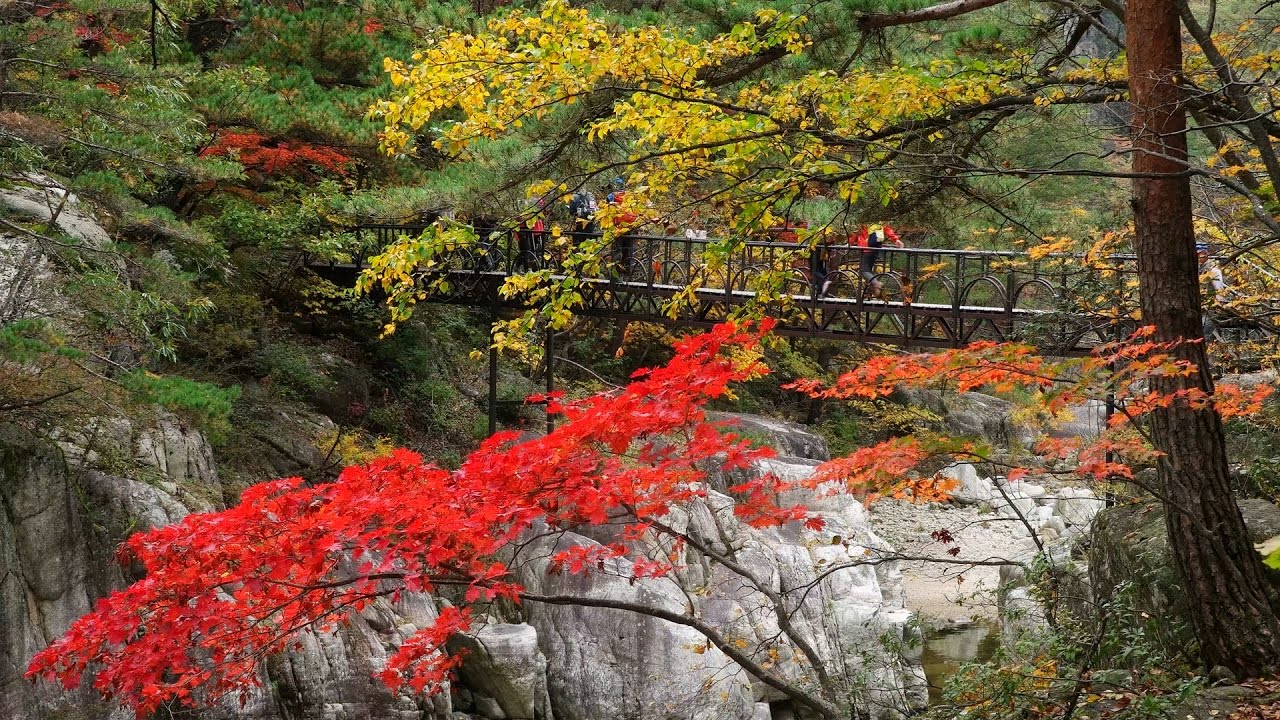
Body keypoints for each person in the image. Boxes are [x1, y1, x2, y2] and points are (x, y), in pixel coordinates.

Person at [851, 223, 903, 298]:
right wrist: (896, 239)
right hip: (875, 248)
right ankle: (874, 291)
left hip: (865, 249)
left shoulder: (863, 221)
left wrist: (850, 242)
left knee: (864, 271)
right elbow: (886, 228)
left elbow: (856, 234)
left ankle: (876, 284)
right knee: (868, 271)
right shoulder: (877, 221)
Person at [1198, 242, 1230, 339]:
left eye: (1201, 254)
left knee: (1204, 334)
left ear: (1206, 254)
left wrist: (1218, 306)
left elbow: (1219, 289)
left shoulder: (1213, 270)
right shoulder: (1195, 268)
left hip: (1210, 309)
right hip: (1198, 308)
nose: (1199, 257)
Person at [514, 199, 547, 270]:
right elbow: (518, 217)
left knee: (533, 248)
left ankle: (531, 267)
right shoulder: (522, 201)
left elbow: (542, 213)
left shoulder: (539, 200)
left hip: (534, 227)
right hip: (524, 228)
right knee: (526, 248)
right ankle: (525, 267)